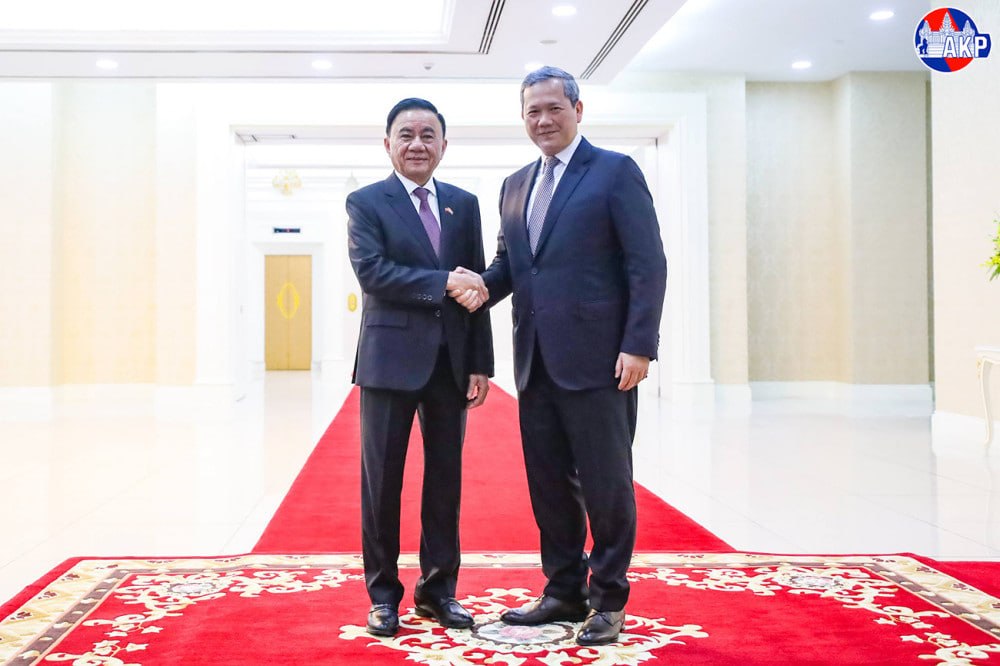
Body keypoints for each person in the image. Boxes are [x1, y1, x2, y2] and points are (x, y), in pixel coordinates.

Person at [455, 66, 667, 645]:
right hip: (536, 362)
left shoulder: (615, 172)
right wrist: (475, 285)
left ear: (578, 109)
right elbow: (512, 266)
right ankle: (563, 590)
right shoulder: (516, 184)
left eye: (554, 108)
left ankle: (609, 599)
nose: (543, 120)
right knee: (549, 484)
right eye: (533, 111)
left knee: (606, 485)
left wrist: (639, 344)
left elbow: (647, 263)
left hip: (602, 363)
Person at [347, 97, 493, 637]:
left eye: (428, 135)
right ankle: (383, 596)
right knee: (382, 483)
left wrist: (479, 362)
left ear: (444, 145)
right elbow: (373, 272)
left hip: (450, 364)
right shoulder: (366, 202)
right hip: (388, 363)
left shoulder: (464, 204)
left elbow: (476, 286)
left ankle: (438, 593)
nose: (417, 144)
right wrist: (442, 282)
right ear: (387, 143)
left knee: (445, 482)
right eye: (405, 135)